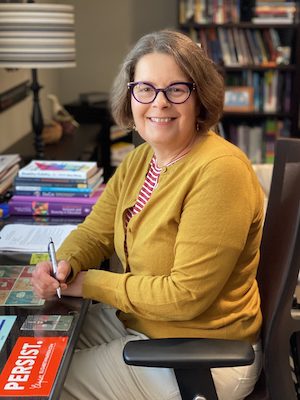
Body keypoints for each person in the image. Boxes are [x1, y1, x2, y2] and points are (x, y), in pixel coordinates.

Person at [31, 29, 264, 400]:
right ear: (130, 95)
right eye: (146, 88)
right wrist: (67, 264)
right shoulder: (142, 159)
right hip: (142, 325)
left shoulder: (220, 171)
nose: (159, 103)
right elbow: (96, 231)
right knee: (32, 345)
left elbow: (185, 295)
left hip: (200, 356)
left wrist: (88, 284)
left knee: (40, 383)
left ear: (199, 97)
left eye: (176, 89)